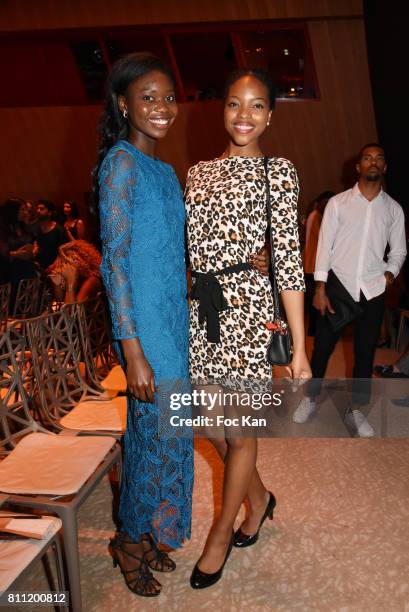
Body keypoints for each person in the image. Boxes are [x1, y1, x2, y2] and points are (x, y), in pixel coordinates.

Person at [184, 68, 311, 589]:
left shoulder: (278, 172)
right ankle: (258, 497)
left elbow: (287, 260)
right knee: (209, 426)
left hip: (248, 315)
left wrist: (300, 347)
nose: (244, 115)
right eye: (235, 103)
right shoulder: (195, 173)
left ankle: (223, 534)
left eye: (257, 105)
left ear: (270, 116)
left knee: (240, 432)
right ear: (222, 110)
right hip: (201, 311)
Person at [93, 52, 195, 599]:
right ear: (123, 104)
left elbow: (169, 251)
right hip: (147, 335)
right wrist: (132, 351)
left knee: (171, 439)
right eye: (148, 97)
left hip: (174, 326)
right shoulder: (122, 165)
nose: (162, 107)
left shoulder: (162, 169)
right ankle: (129, 542)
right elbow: (115, 261)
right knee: (150, 441)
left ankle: (150, 529)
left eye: (168, 96)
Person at [293, 143, 407, 436]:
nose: (373, 162)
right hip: (337, 287)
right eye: (367, 158)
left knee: (366, 353)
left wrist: (389, 275)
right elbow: (324, 247)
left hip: (372, 290)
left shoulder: (393, 209)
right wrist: (320, 286)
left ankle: (356, 409)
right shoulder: (338, 203)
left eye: (379, 158)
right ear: (357, 167)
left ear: (385, 167)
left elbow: (399, 251)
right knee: (323, 350)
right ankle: (309, 398)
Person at [303, 191, 335, 335]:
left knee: (313, 299)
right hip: (315, 263)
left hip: (311, 262)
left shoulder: (313, 215)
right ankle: (315, 330)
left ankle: (314, 329)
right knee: (317, 299)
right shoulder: (318, 216)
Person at [0, 198, 37, 310]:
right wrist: (17, 254)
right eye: (22, 210)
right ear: (13, 211)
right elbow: (3, 253)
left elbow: (33, 241)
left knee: (29, 307)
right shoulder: (3, 229)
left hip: (28, 270)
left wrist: (34, 249)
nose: (26, 213)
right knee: (14, 308)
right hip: (12, 273)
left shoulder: (23, 227)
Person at [34, 200, 68, 270]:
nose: (38, 211)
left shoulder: (59, 230)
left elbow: (65, 251)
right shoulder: (35, 229)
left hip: (56, 269)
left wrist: (54, 265)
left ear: (49, 213)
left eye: (42, 209)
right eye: (37, 208)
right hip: (39, 269)